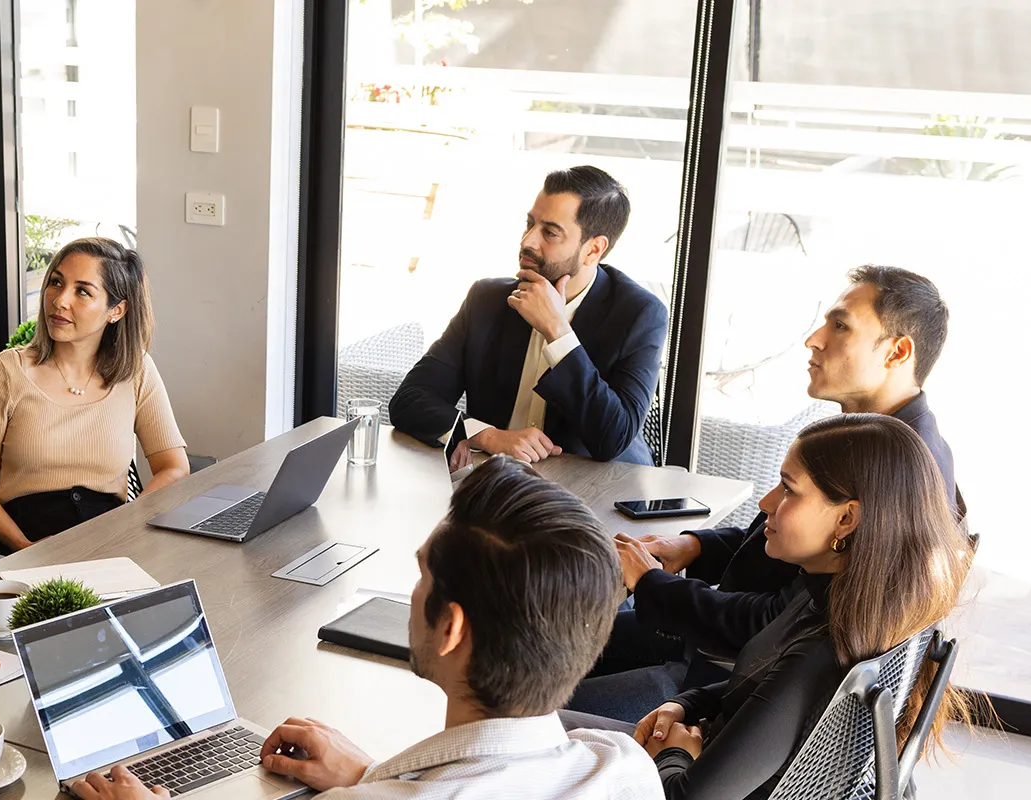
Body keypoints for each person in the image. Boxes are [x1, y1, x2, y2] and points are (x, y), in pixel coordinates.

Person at [69, 456, 664, 800]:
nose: (412, 595)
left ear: (451, 629)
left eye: (422, 575)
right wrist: (369, 775)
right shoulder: (624, 770)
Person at [577, 266, 966, 718]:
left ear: (898, 352)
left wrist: (650, 583)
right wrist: (693, 545)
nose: (814, 339)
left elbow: (773, 625)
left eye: (840, 326)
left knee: (519, 696)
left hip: (727, 682)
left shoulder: (901, 478)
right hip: (711, 638)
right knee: (546, 638)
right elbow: (778, 534)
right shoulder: (877, 440)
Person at [611, 414, 975, 799]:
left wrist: (672, 752)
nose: (767, 502)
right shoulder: (851, 601)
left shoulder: (821, 650)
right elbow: (760, 688)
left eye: (788, 489)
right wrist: (683, 705)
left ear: (846, 518)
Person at [389, 165, 667, 467]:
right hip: (496, 486)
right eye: (529, 224)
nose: (528, 241)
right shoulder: (487, 300)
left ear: (593, 250)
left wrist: (558, 332)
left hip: (599, 496)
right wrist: (487, 435)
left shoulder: (640, 314)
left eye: (550, 232)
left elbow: (613, 438)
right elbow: (410, 400)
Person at [0, 238, 190, 551]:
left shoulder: (136, 371)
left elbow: (174, 466)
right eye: (56, 282)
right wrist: (24, 547)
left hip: (109, 545)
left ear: (116, 310)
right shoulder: (5, 372)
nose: (59, 300)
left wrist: (128, 527)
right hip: (25, 544)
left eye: (82, 291)